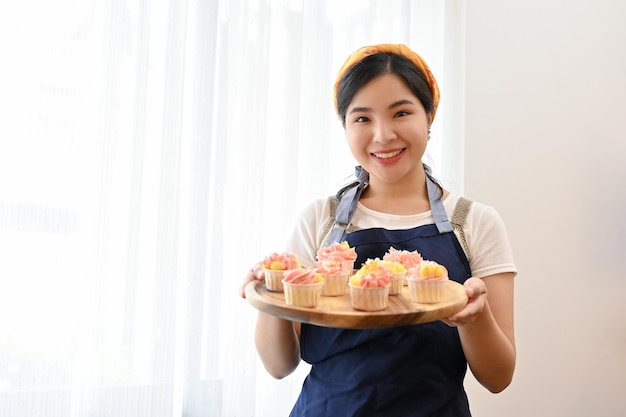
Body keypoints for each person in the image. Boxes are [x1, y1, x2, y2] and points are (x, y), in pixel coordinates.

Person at [239, 43, 516, 416]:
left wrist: (475, 315)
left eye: (401, 112)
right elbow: (278, 366)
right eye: (362, 118)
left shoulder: (474, 222)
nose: (383, 135)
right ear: (345, 127)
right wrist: (272, 292)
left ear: (429, 116)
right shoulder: (320, 220)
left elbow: (498, 377)